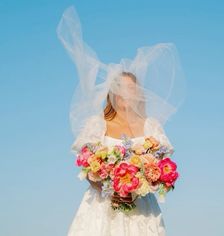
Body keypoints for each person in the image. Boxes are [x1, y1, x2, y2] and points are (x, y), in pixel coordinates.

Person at [56, 5, 186, 236]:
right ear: (113, 95)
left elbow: (160, 172)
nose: (128, 95)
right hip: (102, 209)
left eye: (132, 90)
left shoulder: (151, 126)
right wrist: (107, 188)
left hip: (141, 211)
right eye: (122, 90)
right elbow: (88, 170)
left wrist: (140, 187)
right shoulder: (98, 124)